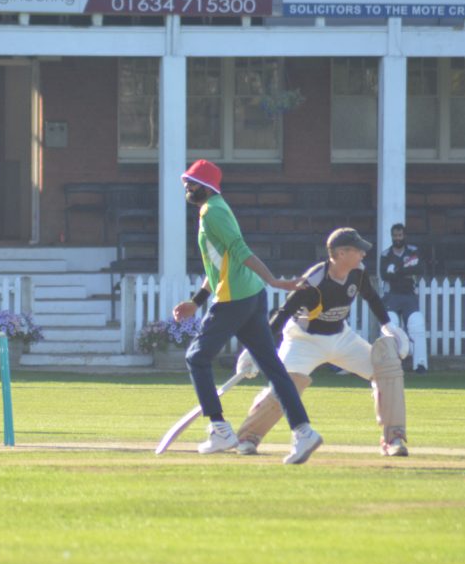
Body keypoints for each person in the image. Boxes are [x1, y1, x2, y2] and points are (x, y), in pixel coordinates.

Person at [171, 160, 322, 465]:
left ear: (207, 186)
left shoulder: (212, 212)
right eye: (186, 182)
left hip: (235, 298)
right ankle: (304, 431)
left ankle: (220, 430)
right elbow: (218, 265)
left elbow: (240, 250)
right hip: (251, 296)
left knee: (196, 357)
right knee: (273, 368)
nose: (187, 187)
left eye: (192, 182)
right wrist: (197, 302)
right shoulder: (217, 208)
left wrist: (274, 280)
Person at [233, 228, 412, 457]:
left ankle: (393, 437)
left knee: (386, 368)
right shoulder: (314, 280)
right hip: (304, 341)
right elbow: (284, 313)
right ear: (340, 253)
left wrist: (388, 325)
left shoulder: (358, 271)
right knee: (286, 385)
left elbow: (371, 296)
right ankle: (248, 436)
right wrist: (256, 350)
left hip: (342, 337)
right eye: (357, 250)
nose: (363, 254)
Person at [380, 222, 428, 373]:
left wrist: (397, 270)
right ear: (391, 236)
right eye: (395, 236)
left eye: (400, 235)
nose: (397, 238)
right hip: (392, 296)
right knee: (390, 324)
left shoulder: (413, 251)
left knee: (417, 323)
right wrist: (406, 268)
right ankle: (390, 364)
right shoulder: (385, 254)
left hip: (409, 295)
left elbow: (419, 268)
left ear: (404, 235)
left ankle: (420, 365)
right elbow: (385, 275)